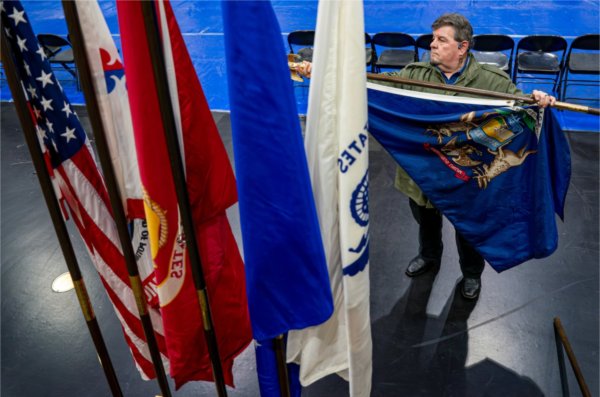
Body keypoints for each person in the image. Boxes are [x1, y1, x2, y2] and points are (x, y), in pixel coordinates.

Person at [293, 13, 556, 300]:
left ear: (462, 47)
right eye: (433, 39)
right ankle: (429, 257)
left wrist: (538, 99)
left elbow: (521, 104)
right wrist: (322, 72)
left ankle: (471, 273)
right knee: (425, 219)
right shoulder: (416, 74)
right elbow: (372, 84)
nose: (432, 45)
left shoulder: (490, 81)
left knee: (468, 228)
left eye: (441, 40)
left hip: (467, 176)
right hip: (423, 172)